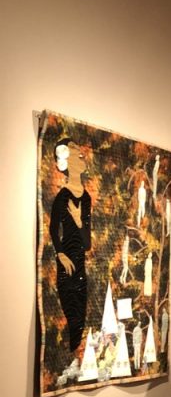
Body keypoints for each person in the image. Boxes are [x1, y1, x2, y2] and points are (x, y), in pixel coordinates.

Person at [49, 139, 92, 357]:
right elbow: (53, 230)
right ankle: (66, 363)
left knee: (80, 320)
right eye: (77, 153)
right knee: (72, 317)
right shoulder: (61, 197)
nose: (82, 155)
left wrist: (78, 221)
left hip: (81, 268)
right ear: (67, 160)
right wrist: (60, 253)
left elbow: (87, 244)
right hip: (66, 268)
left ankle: (75, 361)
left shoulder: (86, 198)